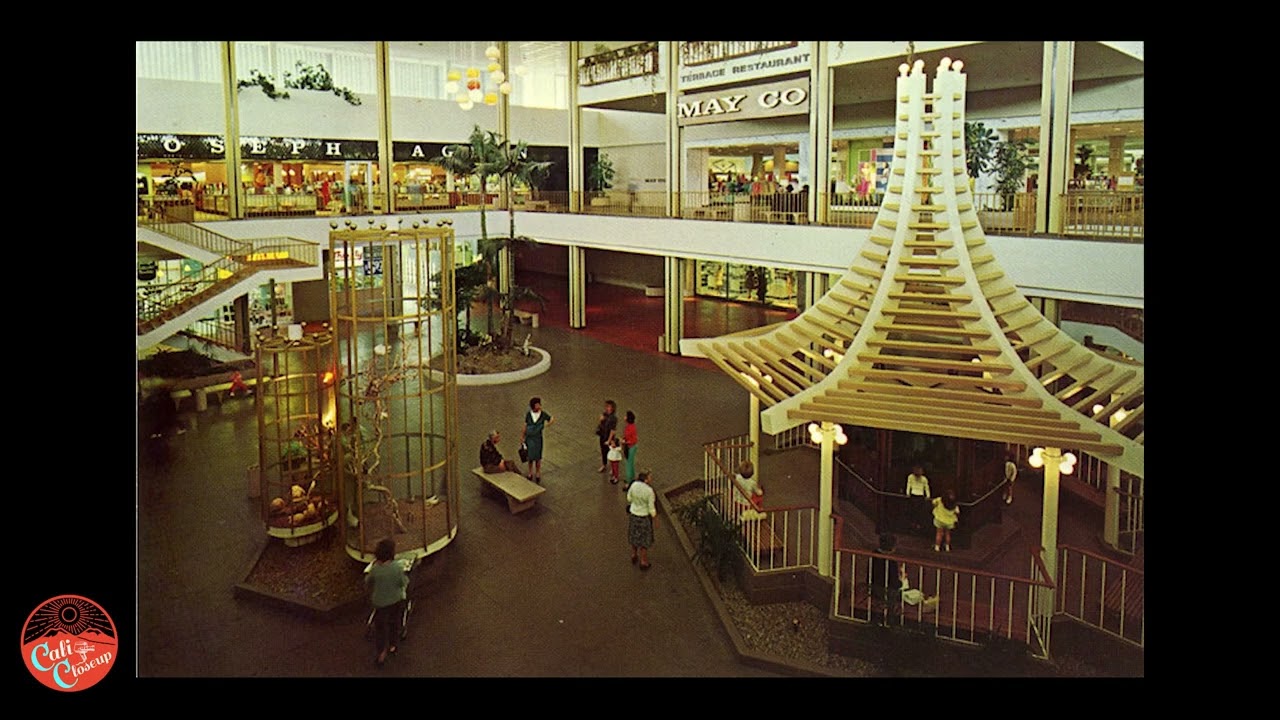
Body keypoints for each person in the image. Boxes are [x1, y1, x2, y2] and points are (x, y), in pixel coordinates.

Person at [365, 538, 408, 667]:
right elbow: (402, 582)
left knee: (380, 628)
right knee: (394, 622)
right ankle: (393, 645)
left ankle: (381, 653)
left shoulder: (375, 570)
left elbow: (368, 581)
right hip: (395, 600)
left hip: (380, 603)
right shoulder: (397, 568)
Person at [626, 469, 658, 570]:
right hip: (644, 516)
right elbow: (651, 508)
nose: (651, 479)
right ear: (646, 479)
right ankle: (643, 561)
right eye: (650, 477)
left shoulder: (634, 485)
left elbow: (629, 498)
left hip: (634, 514)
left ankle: (634, 554)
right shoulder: (649, 491)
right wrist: (655, 519)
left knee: (634, 535)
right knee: (644, 539)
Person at [521, 396, 554, 483]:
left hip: (538, 438)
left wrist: (545, 425)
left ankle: (538, 472)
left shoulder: (542, 414)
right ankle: (530, 472)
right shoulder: (529, 414)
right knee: (530, 456)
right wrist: (522, 436)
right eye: (537, 405)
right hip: (530, 438)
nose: (539, 406)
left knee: (538, 457)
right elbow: (525, 425)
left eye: (539, 404)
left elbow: (551, 419)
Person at [904, 464, 930, 533]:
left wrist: (928, 495)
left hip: (920, 495)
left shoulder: (924, 479)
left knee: (919, 511)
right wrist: (907, 493)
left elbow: (926, 487)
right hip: (913, 494)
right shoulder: (911, 477)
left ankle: (918, 525)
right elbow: (909, 484)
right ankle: (913, 524)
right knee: (913, 511)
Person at [595, 399, 618, 473]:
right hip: (603, 435)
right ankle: (604, 464)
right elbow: (601, 424)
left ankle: (612, 468)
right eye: (606, 406)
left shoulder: (613, 418)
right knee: (603, 451)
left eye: (609, 406)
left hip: (609, 438)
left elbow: (613, 430)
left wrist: (609, 440)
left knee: (611, 453)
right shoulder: (604, 414)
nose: (607, 408)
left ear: (612, 408)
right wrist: (601, 420)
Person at [621, 410, 639, 485]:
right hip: (629, 446)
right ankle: (632, 477)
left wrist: (625, 442)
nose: (624, 417)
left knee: (628, 464)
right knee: (630, 463)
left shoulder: (631, 428)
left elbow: (634, 439)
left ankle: (629, 481)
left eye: (626, 416)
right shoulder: (629, 426)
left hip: (630, 447)